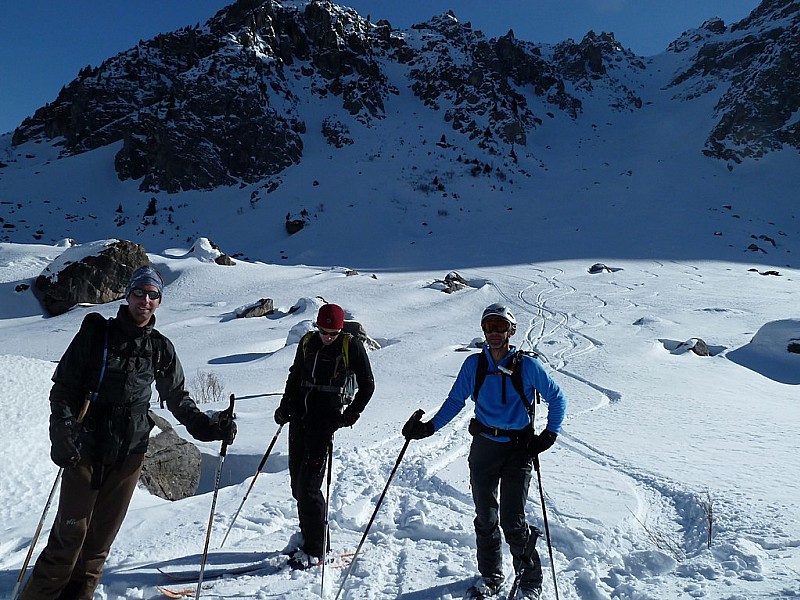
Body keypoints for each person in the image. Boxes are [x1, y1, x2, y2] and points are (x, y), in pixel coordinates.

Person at [19, 265, 237, 600]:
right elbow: (63, 388)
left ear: (159, 302)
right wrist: (61, 430)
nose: (145, 301)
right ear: (128, 294)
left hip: (129, 454)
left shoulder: (160, 348)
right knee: (69, 540)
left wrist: (209, 427)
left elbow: (178, 398)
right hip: (85, 449)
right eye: (140, 292)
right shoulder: (96, 335)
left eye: (153, 295)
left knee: (97, 547)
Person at [402, 303, 566, 600]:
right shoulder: (474, 365)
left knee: (512, 519)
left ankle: (530, 582)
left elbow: (557, 398)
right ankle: (491, 575)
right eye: (489, 327)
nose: (493, 333)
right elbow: (455, 402)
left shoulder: (527, 366)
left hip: (519, 449)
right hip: (484, 448)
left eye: (499, 327)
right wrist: (428, 429)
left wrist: (549, 435)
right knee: (485, 517)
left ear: (511, 331)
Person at [274, 303, 375, 569]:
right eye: (324, 331)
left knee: (308, 487)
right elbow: (295, 376)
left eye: (333, 333)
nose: (328, 337)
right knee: (297, 485)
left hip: (324, 423)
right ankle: (308, 537)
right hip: (299, 420)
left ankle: (317, 549)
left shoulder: (350, 346)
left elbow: (368, 385)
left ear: (340, 330)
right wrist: (285, 406)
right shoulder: (308, 342)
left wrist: (348, 416)